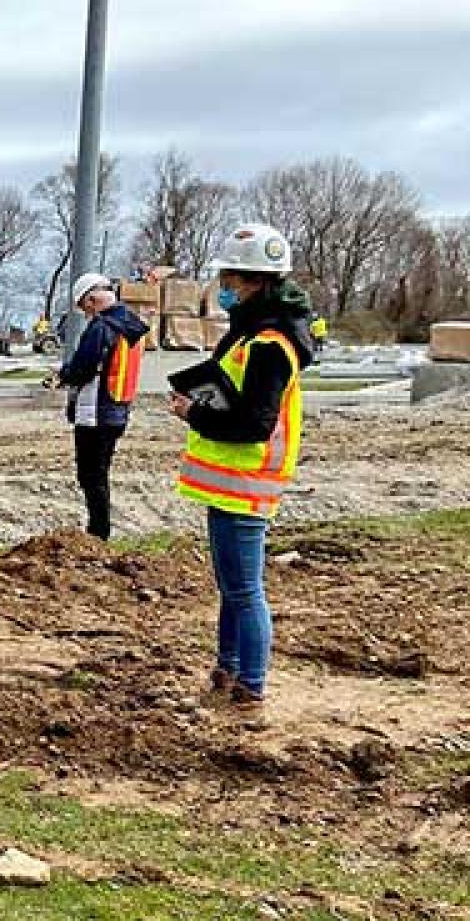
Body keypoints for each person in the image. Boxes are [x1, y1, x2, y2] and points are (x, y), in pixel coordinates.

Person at [168, 224, 314, 719]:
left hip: (246, 483)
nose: (222, 286)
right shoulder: (252, 333)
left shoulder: (269, 344)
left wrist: (195, 413)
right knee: (233, 586)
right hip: (232, 484)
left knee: (245, 590)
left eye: (228, 276)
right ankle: (228, 670)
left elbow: (254, 423)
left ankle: (250, 687)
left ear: (251, 281)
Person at [52, 273, 148, 541]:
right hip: (118, 407)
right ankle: (99, 531)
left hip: (95, 409)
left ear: (92, 300)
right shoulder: (133, 326)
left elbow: (84, 367)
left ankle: (98, 533)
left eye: (84, 308)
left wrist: (63, 376)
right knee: (100, 472)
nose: (86, 315)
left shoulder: (101, 327)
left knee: (90, 474)